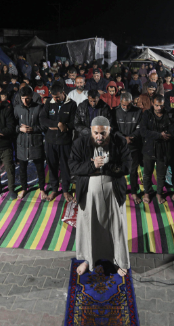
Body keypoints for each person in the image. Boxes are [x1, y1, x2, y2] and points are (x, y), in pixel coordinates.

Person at [70, 116, 131, 276]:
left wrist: (106, 166)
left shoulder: (119, 141)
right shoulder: (80, 143)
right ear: (91, 130)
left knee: (116, 227)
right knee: (90, 226)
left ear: (109, 130)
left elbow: (127, 166)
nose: (99, 137)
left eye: (103, 133)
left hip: (113, 192)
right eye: (96, 133)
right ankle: (88, 259)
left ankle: (118, 260)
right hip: (89, 194)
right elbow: (73, 166)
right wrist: (92, 165)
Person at [40, 83, 77, 202]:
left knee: (65, 166)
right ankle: (54, 189)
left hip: (65, 142)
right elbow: (43, 119)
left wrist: (65, 126)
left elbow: (74, 123)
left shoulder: (72, 104)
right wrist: (57, 124)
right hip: (50, 141)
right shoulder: (49, 103)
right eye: (53, 97)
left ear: (63, 93)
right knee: (52, 166)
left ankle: (65, 190)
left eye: (57, 97)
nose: (55, 99)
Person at [139, 95, 174, 204]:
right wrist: (159, 135)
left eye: (161, 105)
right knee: (147, 173)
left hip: (164, 149)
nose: (159, 108)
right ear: (152, 103)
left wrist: (168, 135)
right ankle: (147, 193)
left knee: (161, 174)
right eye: (156, 105)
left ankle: (159, 193)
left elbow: (173, 130)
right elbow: (143, 131)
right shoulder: (147, 114)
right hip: (149, 148)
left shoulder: (169, 114)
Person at [111, 91, 143, 204]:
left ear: (132, 102)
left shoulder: (138, 111)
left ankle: (134, 192)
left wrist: (131, 137)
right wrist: (124, 138)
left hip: (133, 146)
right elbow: (113, 128)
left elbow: (140, 128)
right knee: (118, 170)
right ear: (120, 102)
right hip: (119, 146)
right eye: (123, 105)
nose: (126, 107)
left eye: (128, 105)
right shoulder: (114, 111)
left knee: (133, 170)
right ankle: (119, 190)